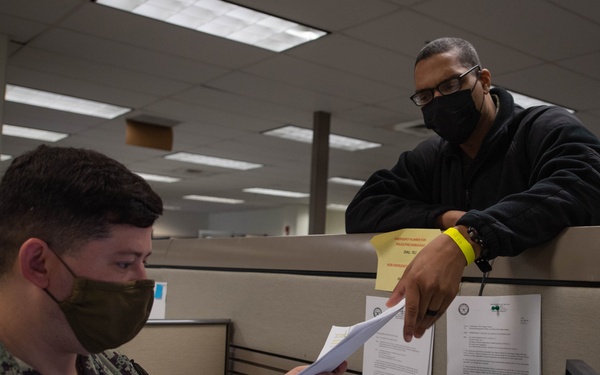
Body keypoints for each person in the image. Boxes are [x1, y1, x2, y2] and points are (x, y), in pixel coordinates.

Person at [0, 145, 347, 375]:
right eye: (124, 263)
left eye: (144, 261)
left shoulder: (109, 366)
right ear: (39, 264)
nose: (141, 282)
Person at [345, 37, 600, 343]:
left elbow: (584, 182)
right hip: (463, 333)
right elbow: (362, 210)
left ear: (483, 79)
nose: (438, 100)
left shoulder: (542, 127)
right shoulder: (433, 157)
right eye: (425, 96)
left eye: (450, 85)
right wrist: (444, 218)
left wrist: (468, 237)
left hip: (554, 325)